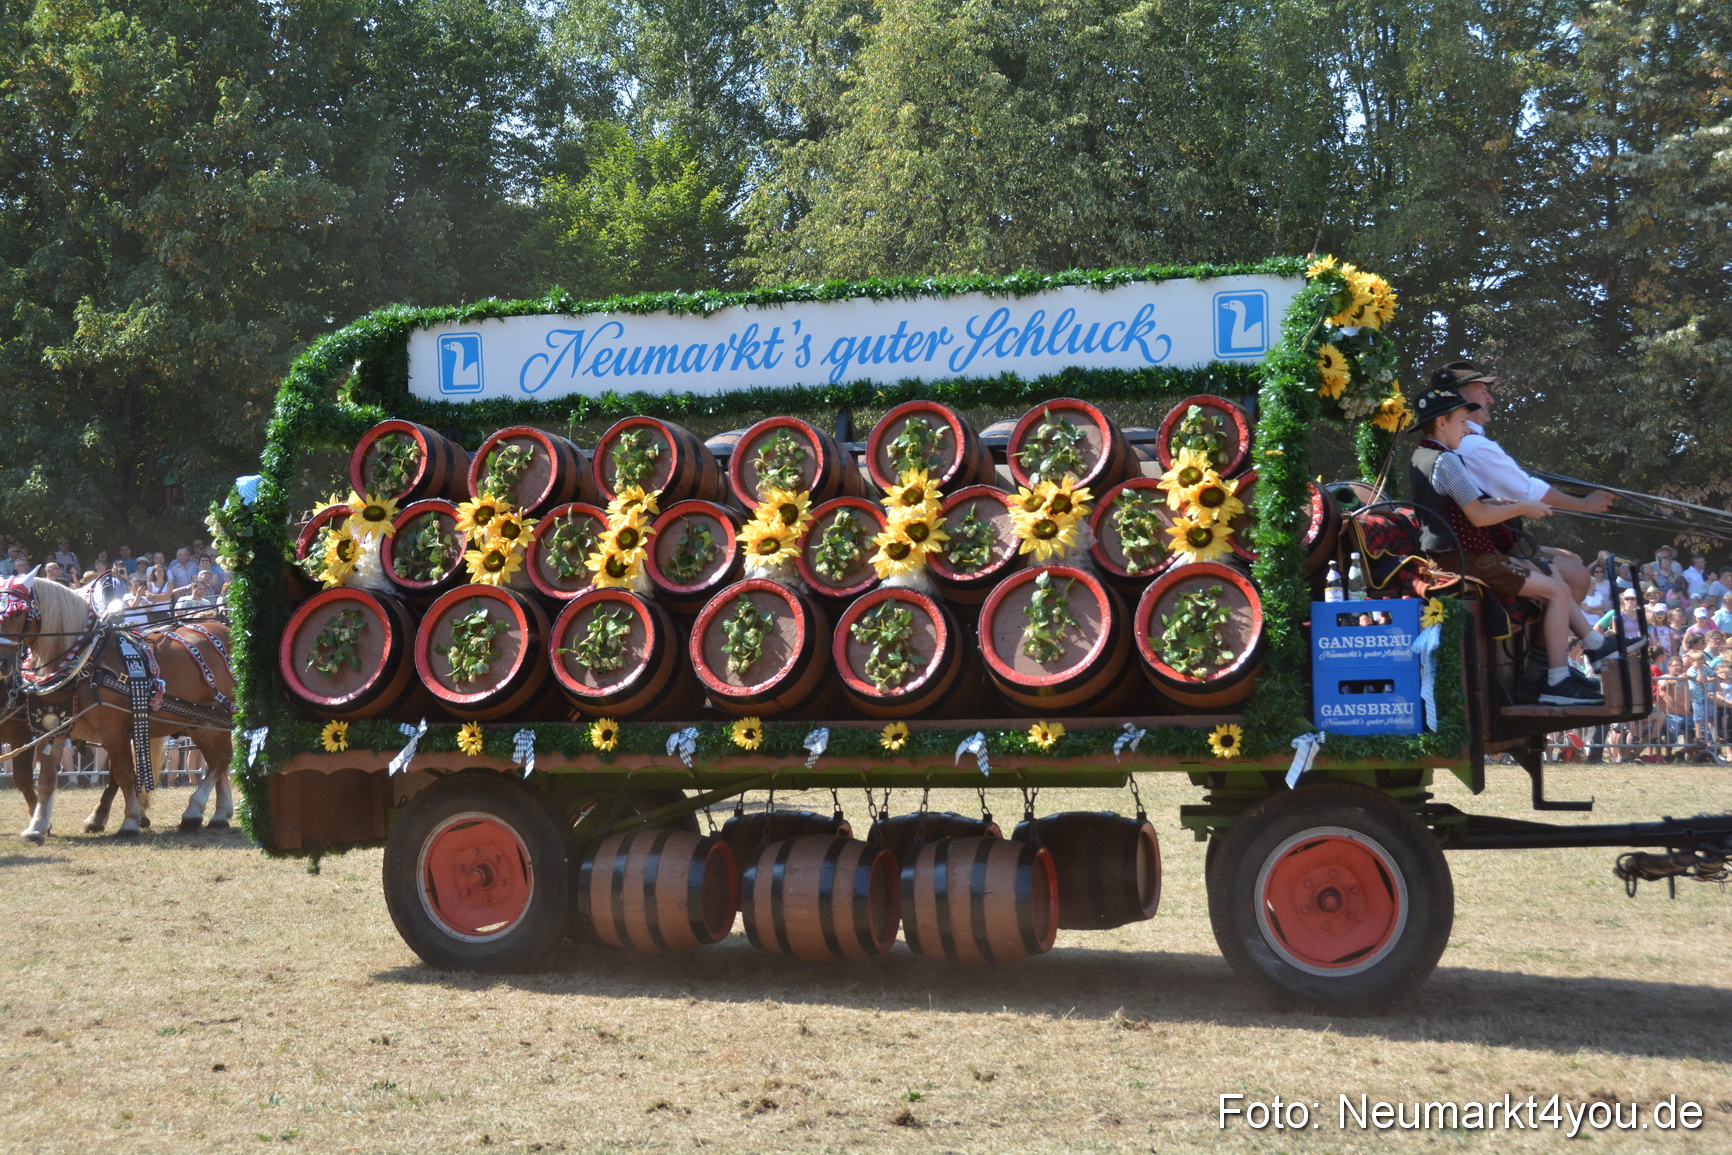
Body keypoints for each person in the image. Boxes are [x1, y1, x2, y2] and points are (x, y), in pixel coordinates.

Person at [1407, 387, 1608, 704]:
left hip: (1451, 556)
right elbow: (1478, 515)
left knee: (1554, 578)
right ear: (1442, 422)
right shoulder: (1447, 461)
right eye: (1461, 420)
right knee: (1557, 591)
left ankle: (1590, 648)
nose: (1466, 427)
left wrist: (1503, 502)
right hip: (1467, 560)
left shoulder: (1422, 455)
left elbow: (1463, 506)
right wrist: (1522, 507)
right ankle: (1554, 682)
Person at [1432, 362, 1611, 602]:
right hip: (1485, 549)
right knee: (1577, 576)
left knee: (1572, 558)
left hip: (1495, 543)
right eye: (1483, 393)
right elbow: (1530, 494)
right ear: (1461, 400)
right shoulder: (1471, 445)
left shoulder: (1461, 443)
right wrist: (1587, 504)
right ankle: (1550, 640)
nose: (1490, 399)